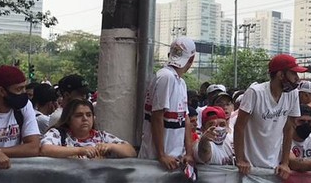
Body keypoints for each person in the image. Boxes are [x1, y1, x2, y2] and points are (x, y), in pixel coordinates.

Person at [234, 53, 304, 179]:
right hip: (249, 166)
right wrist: (240, 159)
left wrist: (285, 163)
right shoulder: (255, 93)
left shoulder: (293, 94)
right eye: (293, 74)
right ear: (281, 75)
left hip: (275, 167)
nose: (297, 78)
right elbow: (239, 126)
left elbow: (289, 129)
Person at [138, 36, 196, 171]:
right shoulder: (166, 77)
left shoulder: (181, 82)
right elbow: (157, 116)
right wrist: (162, 155)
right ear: (192, 59)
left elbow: (185, 118)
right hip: (156, 160)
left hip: (174, 159)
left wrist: (188, 153)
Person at [40, 98, 136, 159]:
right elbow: (45, 149)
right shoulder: (58, 134)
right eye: (79, 115)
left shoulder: (101, 136)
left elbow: (131, 151)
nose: (85, 119)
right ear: (68, 119)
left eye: (89, 115)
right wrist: (79, 150)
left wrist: (111, 146)